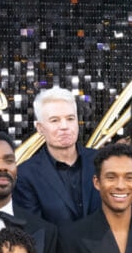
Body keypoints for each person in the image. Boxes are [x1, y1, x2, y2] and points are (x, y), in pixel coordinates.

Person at [14, 87, 102, 227]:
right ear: (40, 128)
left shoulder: (101, 161)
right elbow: (35, 230)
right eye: (54, 120)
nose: (64, 126)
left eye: (70, 118)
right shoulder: (26, 175)